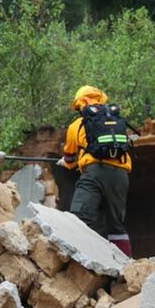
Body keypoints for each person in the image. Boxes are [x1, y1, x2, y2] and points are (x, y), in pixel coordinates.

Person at [59, 85, 133, 257]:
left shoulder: (77, 125)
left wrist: (67, 162)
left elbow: (69, 159)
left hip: (94, 173)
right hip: (121, 175)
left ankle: (79, 261)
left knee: (79, 219)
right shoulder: (117, 122)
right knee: (116, 225)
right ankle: (126, 267)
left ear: (81, 103)